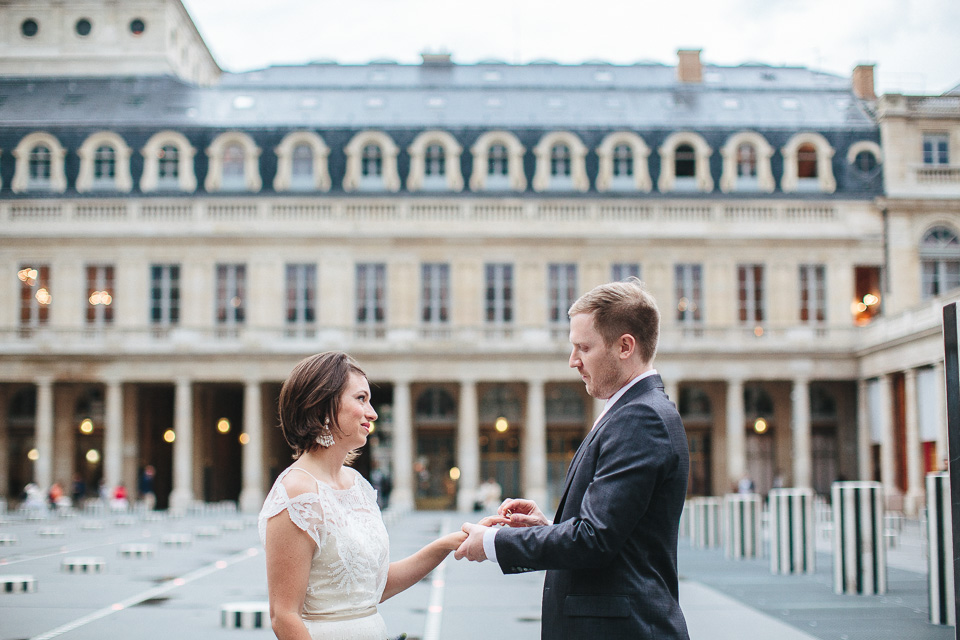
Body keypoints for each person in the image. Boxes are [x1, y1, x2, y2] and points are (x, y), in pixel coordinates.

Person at [456, 279, 691, 640]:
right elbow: (618, 536)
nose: (573, 360)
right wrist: (548, 527)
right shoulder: (635, 411)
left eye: (584, 347)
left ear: (625, 346)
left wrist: (492, 543)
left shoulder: (639, 418)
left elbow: (594, 540)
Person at [259, 351, 466, 640]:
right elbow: (284, 616)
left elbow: (373, 587)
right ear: (322, 406)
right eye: (361, 399)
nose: (373, 413)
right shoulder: (296, 493)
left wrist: (448, 544)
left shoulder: (358, 485)